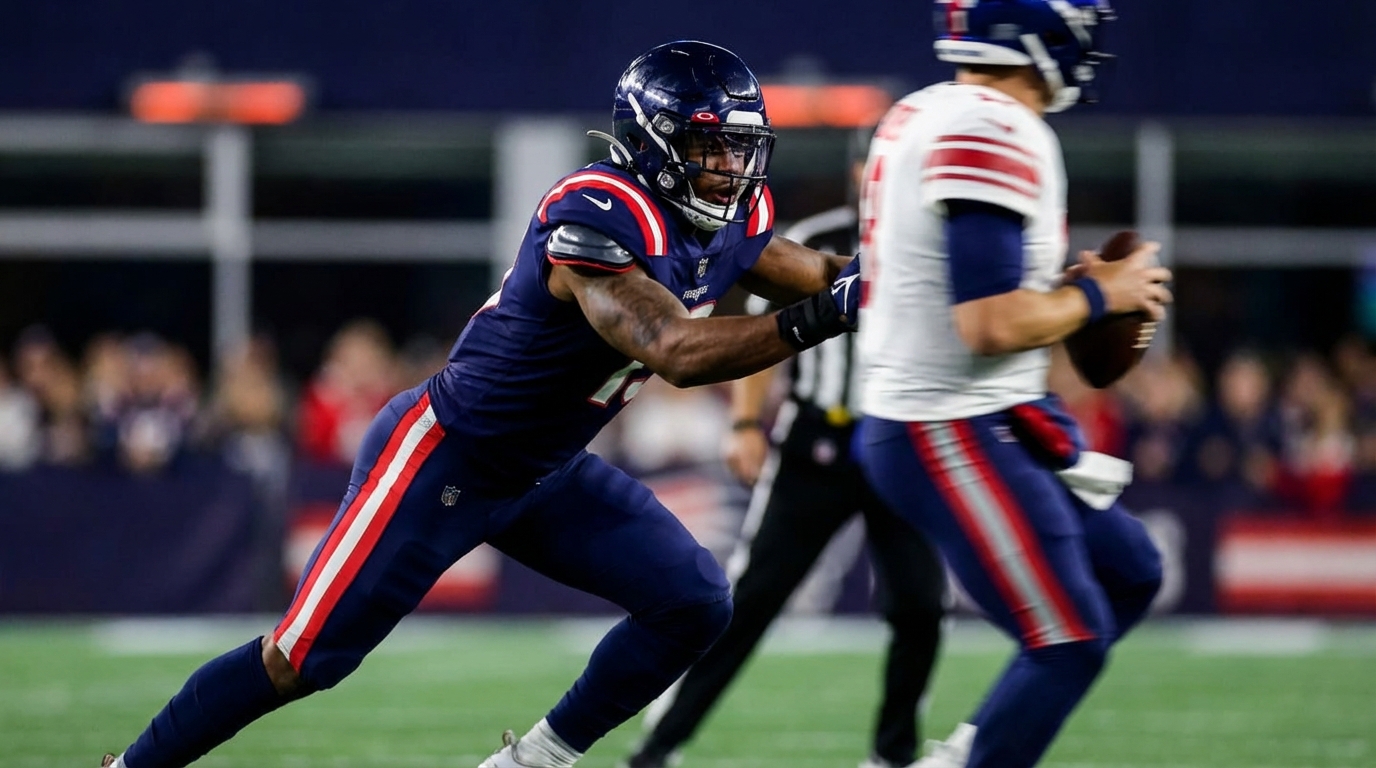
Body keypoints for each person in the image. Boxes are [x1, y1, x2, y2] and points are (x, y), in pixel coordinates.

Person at [98, 39, 863, 768]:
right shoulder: (598, 214)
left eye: (740, 146)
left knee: (695, 604)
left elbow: (824, 271)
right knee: (299, 660)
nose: (731, 167)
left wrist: (900, 283)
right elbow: (674, 349)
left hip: (546, 471)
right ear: (655, 144)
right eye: (710, 147)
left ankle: (534, 758)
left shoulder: (731, 218)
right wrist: (827, 313)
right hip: (446, 456)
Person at [855, 2, 1171, 767]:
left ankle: (969, 750)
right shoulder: (988, 128)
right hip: (947, 424)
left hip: (978, 411)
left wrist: (1060, 288)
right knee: (1068, 639)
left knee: (1129, 571)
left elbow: (962, 285)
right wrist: (1104, 297)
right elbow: (988, 324)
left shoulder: (928, 109)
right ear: (1031, 30)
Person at [624, 133, 945, 768]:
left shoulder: (942, 244)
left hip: (905, 443)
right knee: (746, 605)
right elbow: (760, 336)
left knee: (921, 605)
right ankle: (658, 747)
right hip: (817, 443)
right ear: (860, 169)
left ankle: (894, 755)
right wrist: (746, 423)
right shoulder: (818, 235)